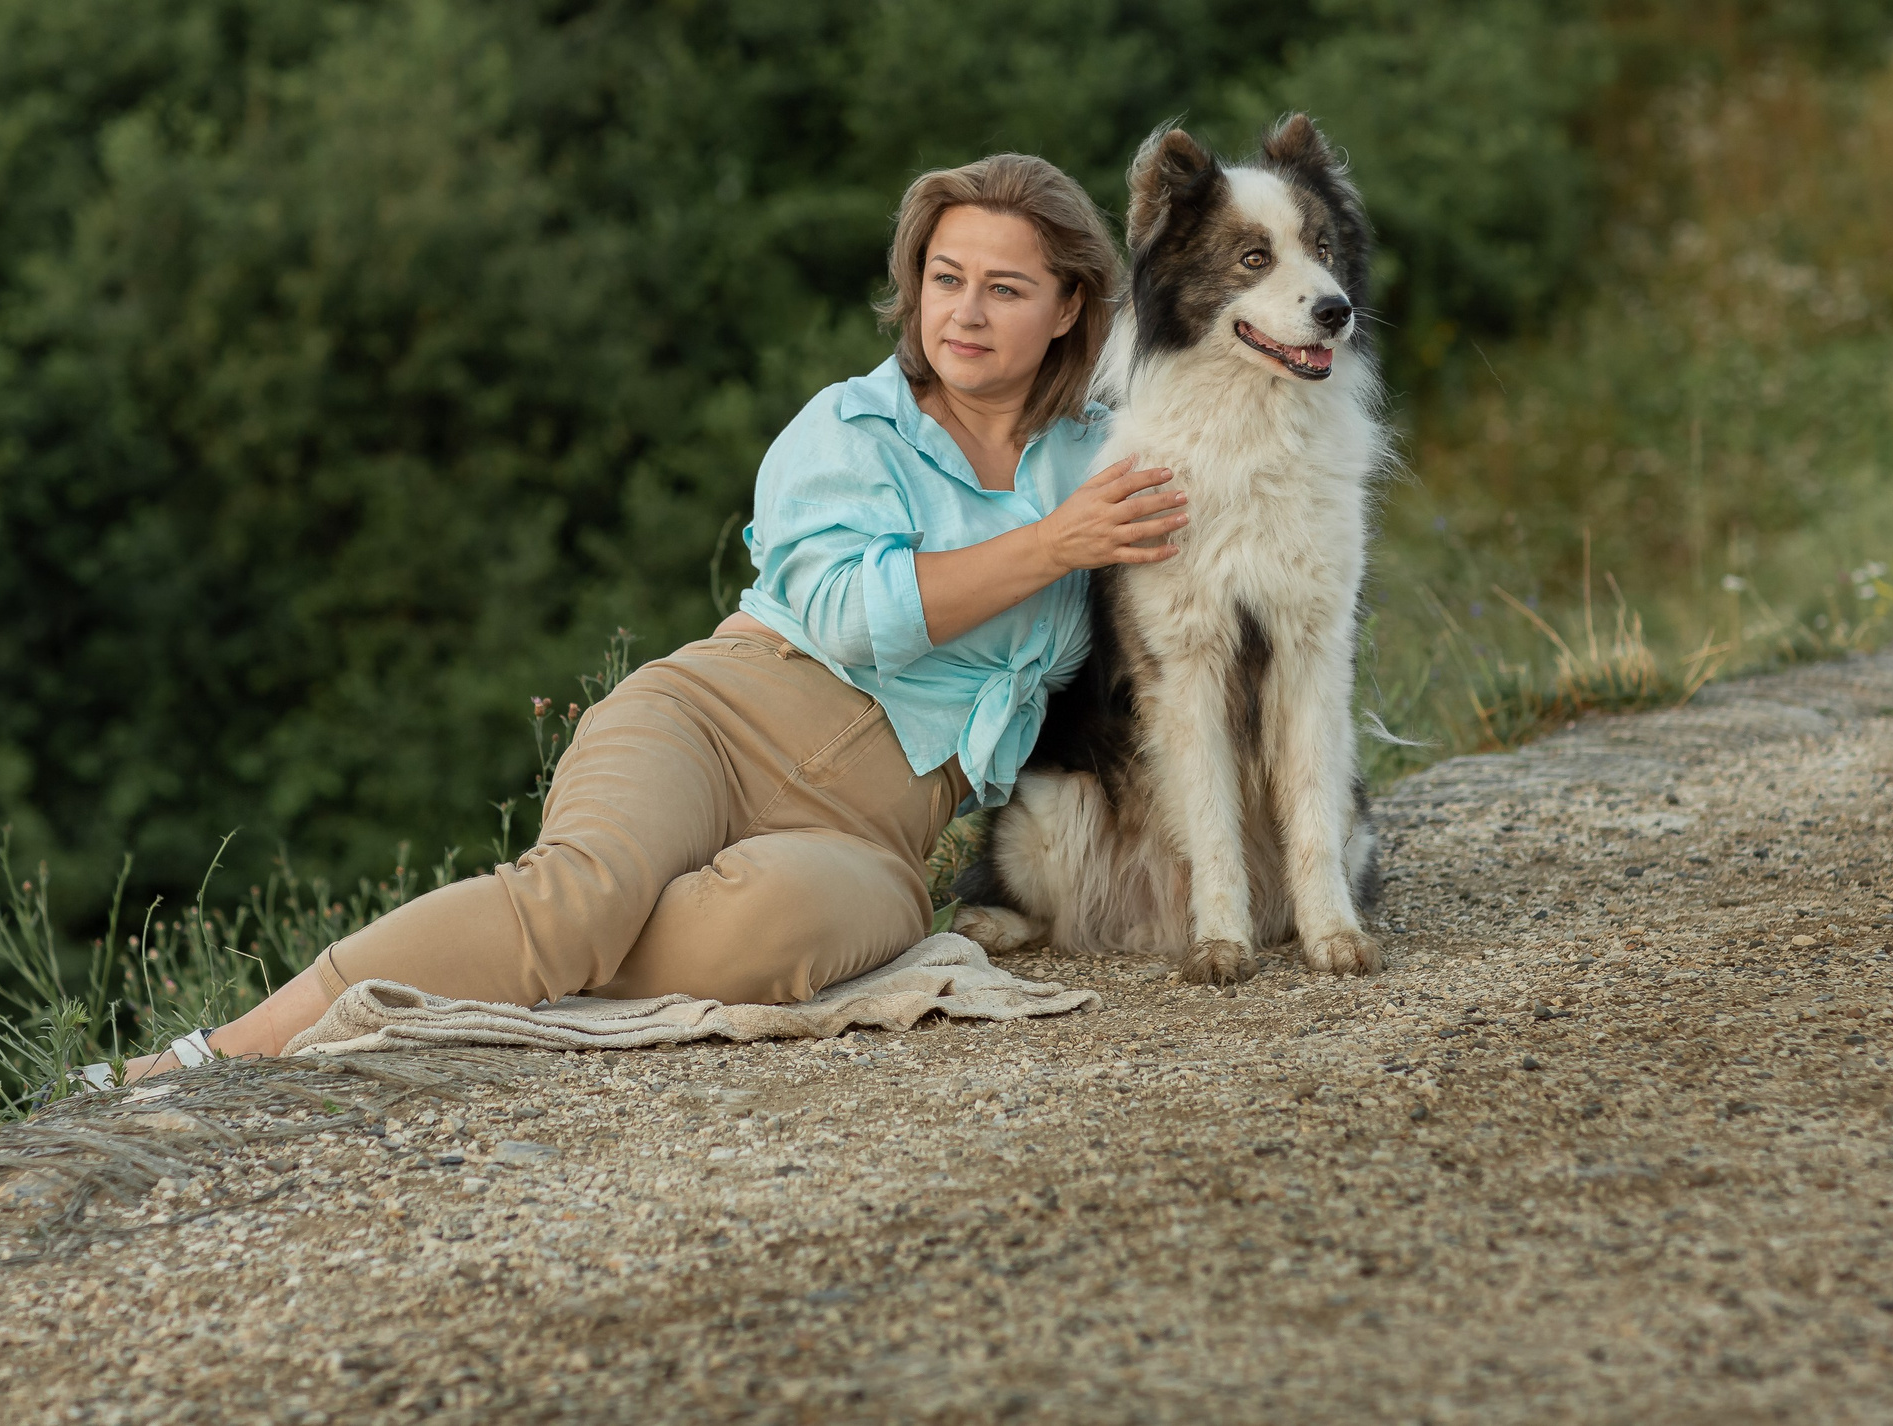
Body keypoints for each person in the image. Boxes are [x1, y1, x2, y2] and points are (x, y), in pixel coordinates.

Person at [122, 154, 1189, 1080]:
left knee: (778, 934)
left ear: (1068, 307)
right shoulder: (850, 427)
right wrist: (1053, 546)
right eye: (943, 278)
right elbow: (859, 616)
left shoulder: (1106, 452)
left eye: (1004, 287)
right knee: (581, 891)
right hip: (718, 716)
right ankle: (222, 1048)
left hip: (877, 824)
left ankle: (515, 959)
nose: (962, 311)